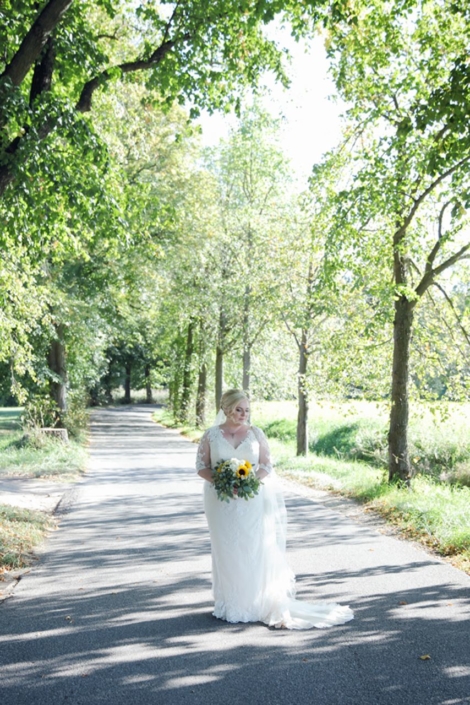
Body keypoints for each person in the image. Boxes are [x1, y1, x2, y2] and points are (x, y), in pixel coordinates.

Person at [196, 388, 354, 630]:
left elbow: (267, 465)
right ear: (226, 408)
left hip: (251, 498)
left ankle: (256, 602)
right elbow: (202, 467)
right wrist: (224, 482)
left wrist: (247, 482)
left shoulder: (256, 433)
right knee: (225, 547)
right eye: (238, 409)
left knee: (253, 546)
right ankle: (230, 603)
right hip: (220, 500)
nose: (243, 414)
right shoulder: (211, 435)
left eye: (247, 410)